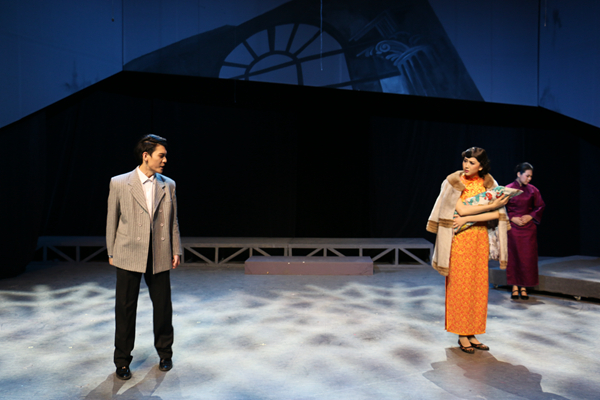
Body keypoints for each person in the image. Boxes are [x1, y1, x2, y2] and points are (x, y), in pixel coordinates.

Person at [106, 134, 182, 380]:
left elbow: (173, 221)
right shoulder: (120, 182)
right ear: (146, 155)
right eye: (161, 155)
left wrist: (176, 249)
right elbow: (112, 219)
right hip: (128, 252)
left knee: (163, 307)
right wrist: (111, 251)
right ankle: (122, 361)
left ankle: (165, 354)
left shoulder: (168, 184)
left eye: (165, 156)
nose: (165, 160)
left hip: (158, 252)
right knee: (125, 308)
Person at [427, 147, 511, 354]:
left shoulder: (489, 184)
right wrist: (486, 207)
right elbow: (462, 209)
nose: (466, 165)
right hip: (460, 240)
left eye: (471, 162)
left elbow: (495, 215)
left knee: (478, 287)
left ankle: (473, 332)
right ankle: (462, 334)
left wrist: (473, 215)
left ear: (481, 166)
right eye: (465, 161)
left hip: (480, 239)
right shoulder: (454, 182)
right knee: (460, 286)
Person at [505, 162, 545, 300]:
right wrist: (512, 218)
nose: (529, 179)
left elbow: (540, 206)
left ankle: (524, 287)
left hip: (528, 229)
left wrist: (530, 216)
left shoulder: (533, 190)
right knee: (514, 256)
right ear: (519, 174)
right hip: (513, 227)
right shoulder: (508, 189)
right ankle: (515, 286)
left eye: (530, 177)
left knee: (527, 258)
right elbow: (500, 208)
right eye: (527, 176)